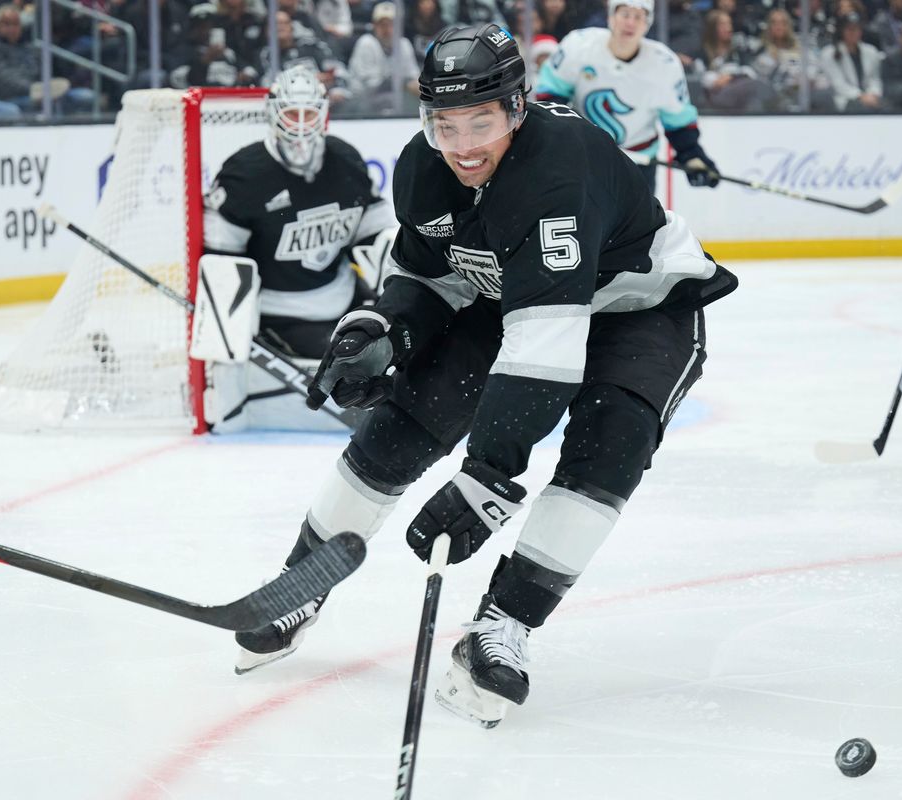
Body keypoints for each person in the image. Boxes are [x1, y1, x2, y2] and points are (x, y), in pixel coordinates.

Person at [232, 24, 738, 731]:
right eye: (445, 123)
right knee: (405, 420)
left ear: (518, 109)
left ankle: (504, 624)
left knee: (611, 438)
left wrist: (488, 478)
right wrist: (383, 328)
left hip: (641, 307)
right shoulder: (424, 168)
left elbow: (545, 354)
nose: (463, 144)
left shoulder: (558, 172)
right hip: (517, 297)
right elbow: (423, 274)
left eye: (481, 121)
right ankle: (301, 581)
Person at [201, 64, 393, 432]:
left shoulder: (346, 160)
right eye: (292, 113)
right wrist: (233, 343)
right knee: (357, 364)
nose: (301, 124)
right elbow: (223, 265)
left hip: (341, 294)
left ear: (323, 115)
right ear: (274, 114)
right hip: (281, 312)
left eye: (309, 114)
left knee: (398, 345)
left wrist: (399, 303)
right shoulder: (244, 173)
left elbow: (376, 238)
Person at [534, 0, 720, 194]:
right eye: (624, 14)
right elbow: (550, 97)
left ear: (648, 22)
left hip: (637, 166)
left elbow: (678, 123)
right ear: (611, 16)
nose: (630, 23)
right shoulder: (578, 46)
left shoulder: (664, 64)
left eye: (638, 16)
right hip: (585, 159)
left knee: (640, 224)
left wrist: (692, 155)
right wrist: (560, 137)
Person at [820, 11, 884, 111]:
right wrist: (860, 96)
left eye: (856, 29)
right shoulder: (829, 53)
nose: (853, 32)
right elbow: (838, 84)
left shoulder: (871, 51)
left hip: (870, 98)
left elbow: (875, 79)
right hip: (845, 100)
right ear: (842, 31)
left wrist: (873, 94)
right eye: (850, 29)